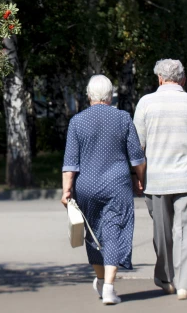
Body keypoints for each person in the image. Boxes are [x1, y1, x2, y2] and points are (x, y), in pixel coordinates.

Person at [133, 59, 187, 300]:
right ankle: (186, 284)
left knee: (163, 234)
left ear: (159, 78)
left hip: (156, 181)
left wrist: (137, 177)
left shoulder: (145, 104)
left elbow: (137, 147)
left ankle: (166, 279)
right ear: (183, 79)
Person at [61, 75, 146, 305]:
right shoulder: (122, 118)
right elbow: (137, 158)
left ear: (89, 95)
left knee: (94, 232)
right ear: (110, 96)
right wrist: (140, 179)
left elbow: (70, 164)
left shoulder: (77, 121)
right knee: (113, 231)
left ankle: (100, 280)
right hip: (116, 185)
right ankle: (108, 286)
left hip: (86, 186)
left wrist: (66, 191)